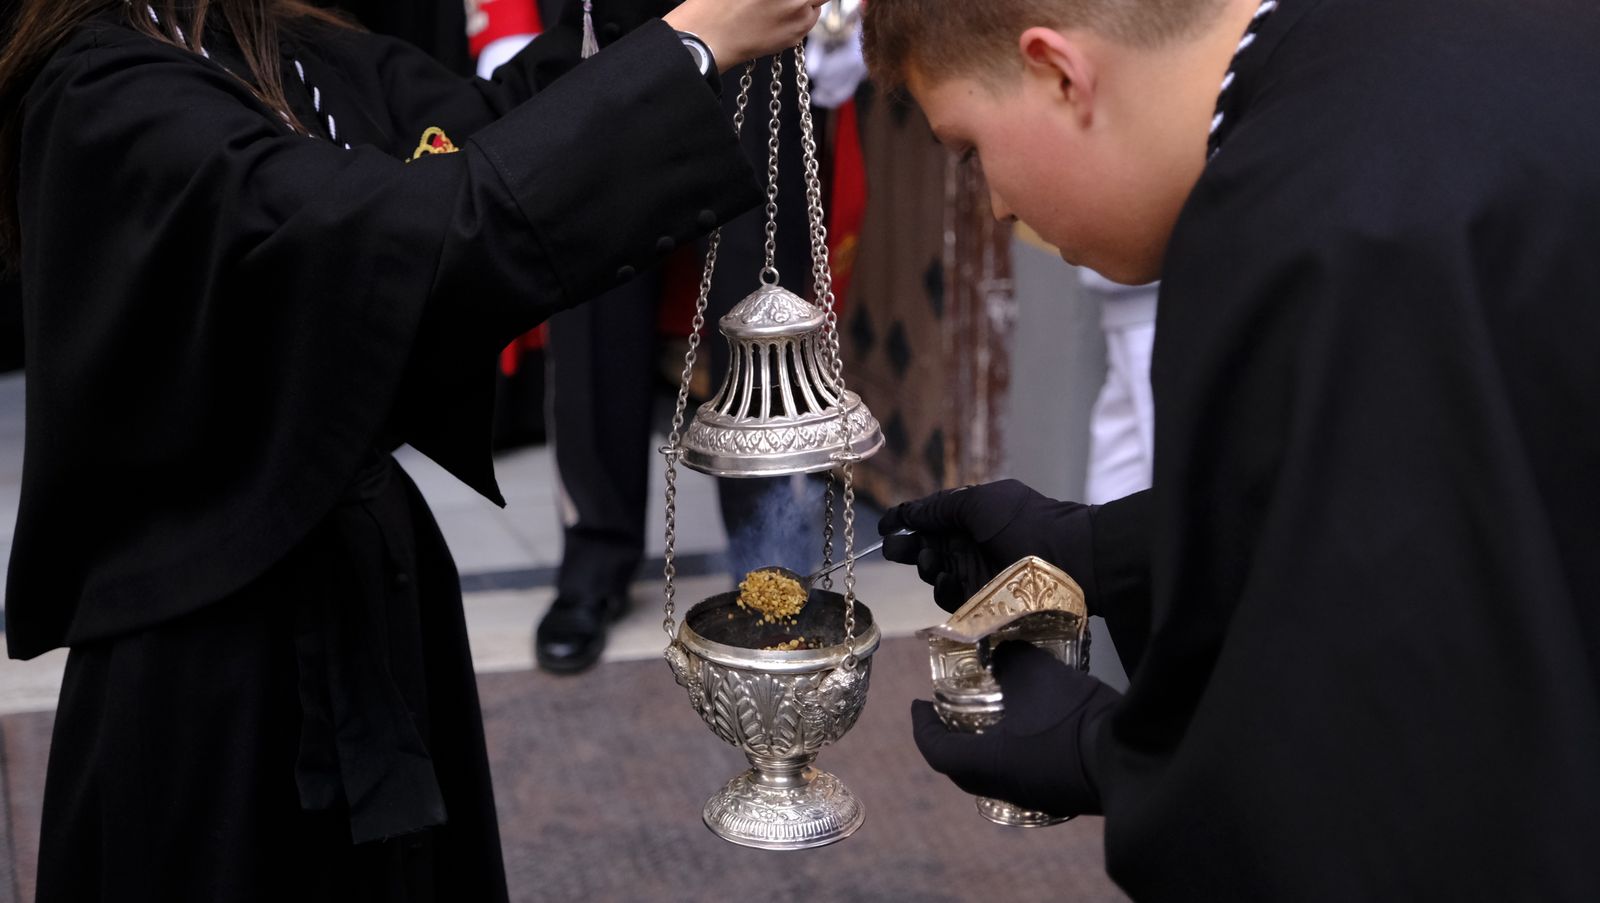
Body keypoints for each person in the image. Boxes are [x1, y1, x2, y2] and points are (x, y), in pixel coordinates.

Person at [0, 0, 825, 898]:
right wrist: (691, 47)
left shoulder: (272, 39)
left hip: (367, 593)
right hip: (212, 674)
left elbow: (486, 125)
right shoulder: (102, 88)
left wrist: (648, 19)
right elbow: (408, 227)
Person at [863, 0, 1600, 899]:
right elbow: (1446, 495)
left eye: (971, 149)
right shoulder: (1411, 57)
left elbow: (1384, 746)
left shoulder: (1288, 220)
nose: (998, 203)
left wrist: (1111, 754)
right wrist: (1105, 552)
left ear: (1059, 71)